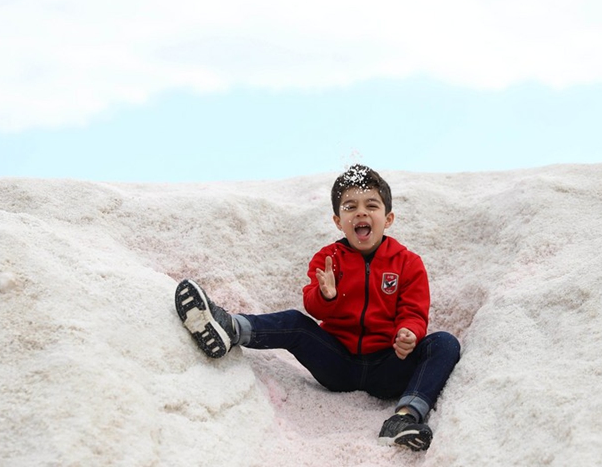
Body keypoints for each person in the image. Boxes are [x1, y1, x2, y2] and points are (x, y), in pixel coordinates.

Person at [174, 164, 461, 451]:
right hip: (337, 363)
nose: (361, 212)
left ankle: (403, 418)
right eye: (350, 207)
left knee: (444, 343)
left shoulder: (407, 263)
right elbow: (314, 309)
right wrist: (326, 296)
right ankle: (230, 328)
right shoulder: (328, 259)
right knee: (295, 323)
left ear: (388, 218)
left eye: (371, 205)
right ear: (338, 221)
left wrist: (408, 332)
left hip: (388, 365)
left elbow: (414, 310)